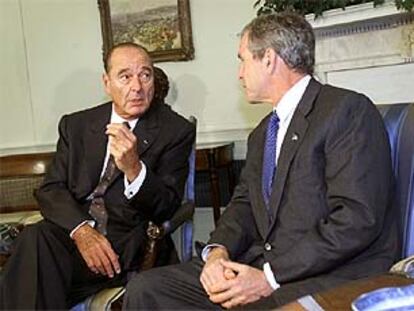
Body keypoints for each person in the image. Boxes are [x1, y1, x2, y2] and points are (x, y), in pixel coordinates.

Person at [123, 12, 398, 309]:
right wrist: (217, 252)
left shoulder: (347, 111)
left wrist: (269, 276)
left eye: (243, 60)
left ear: (268, 59)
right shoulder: (263, 133)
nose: (240, 73)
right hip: (262, 264)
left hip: (331, 273)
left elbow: (357, 218)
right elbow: (243, 205)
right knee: (147, 288)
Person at [0, 42, 195, 309]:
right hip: (74, 237)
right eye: (125, 76)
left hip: (123, 246)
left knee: (29, 279)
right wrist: (82, 231)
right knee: (34, 238)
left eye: (145, 75)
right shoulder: (77, 125)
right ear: (107, 83)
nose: (137, 87)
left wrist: (134, 169)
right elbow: (51, 189)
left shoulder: (175, 130)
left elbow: (167, 205)